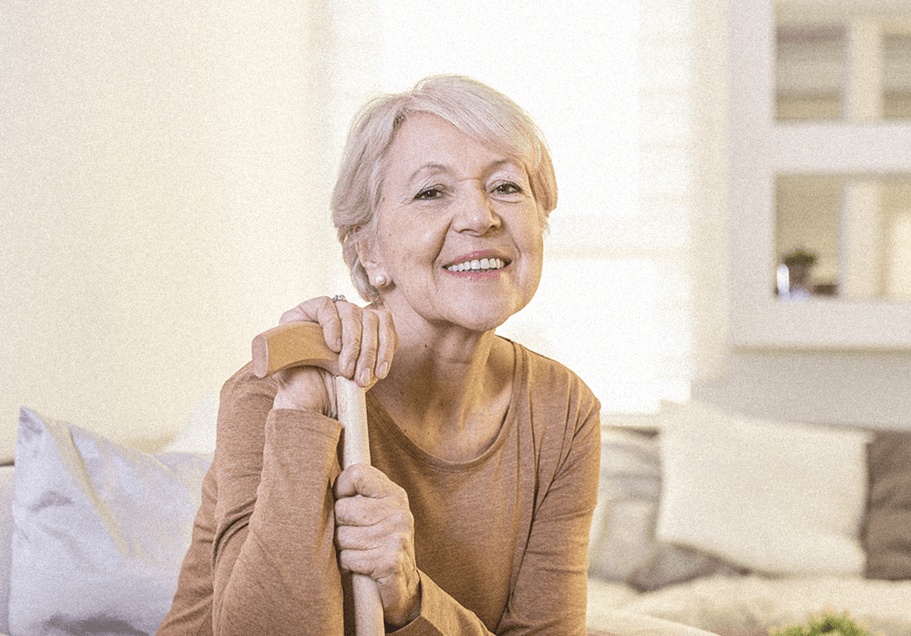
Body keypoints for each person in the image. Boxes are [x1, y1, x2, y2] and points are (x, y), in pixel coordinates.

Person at [157, 74, 601, 635]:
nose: (480, 217)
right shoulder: (271, 391)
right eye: (431, 192)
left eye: (508, 187)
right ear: (367, 250)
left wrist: (406, 595)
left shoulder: (562, 411)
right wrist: (301, 416)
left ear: (541, 221)